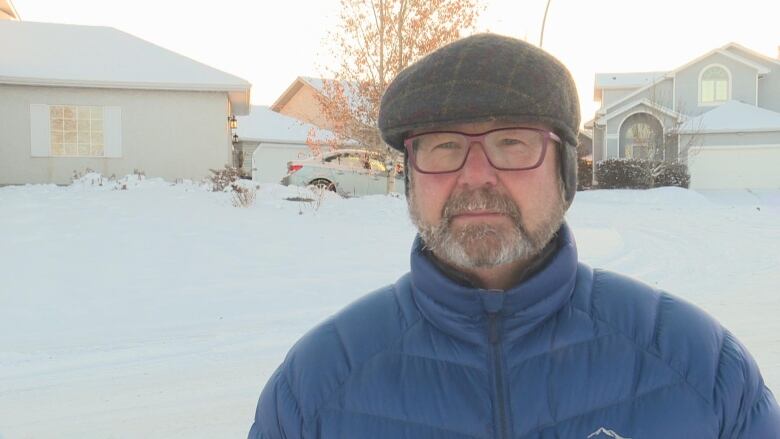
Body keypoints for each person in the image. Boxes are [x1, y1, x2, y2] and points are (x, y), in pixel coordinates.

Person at [248, 34, 780, 438]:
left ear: (566, 172)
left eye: (511, 142)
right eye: (443, 146)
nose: (476, 174)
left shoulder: (700, 366)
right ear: (410, 177)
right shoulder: (314, 388)